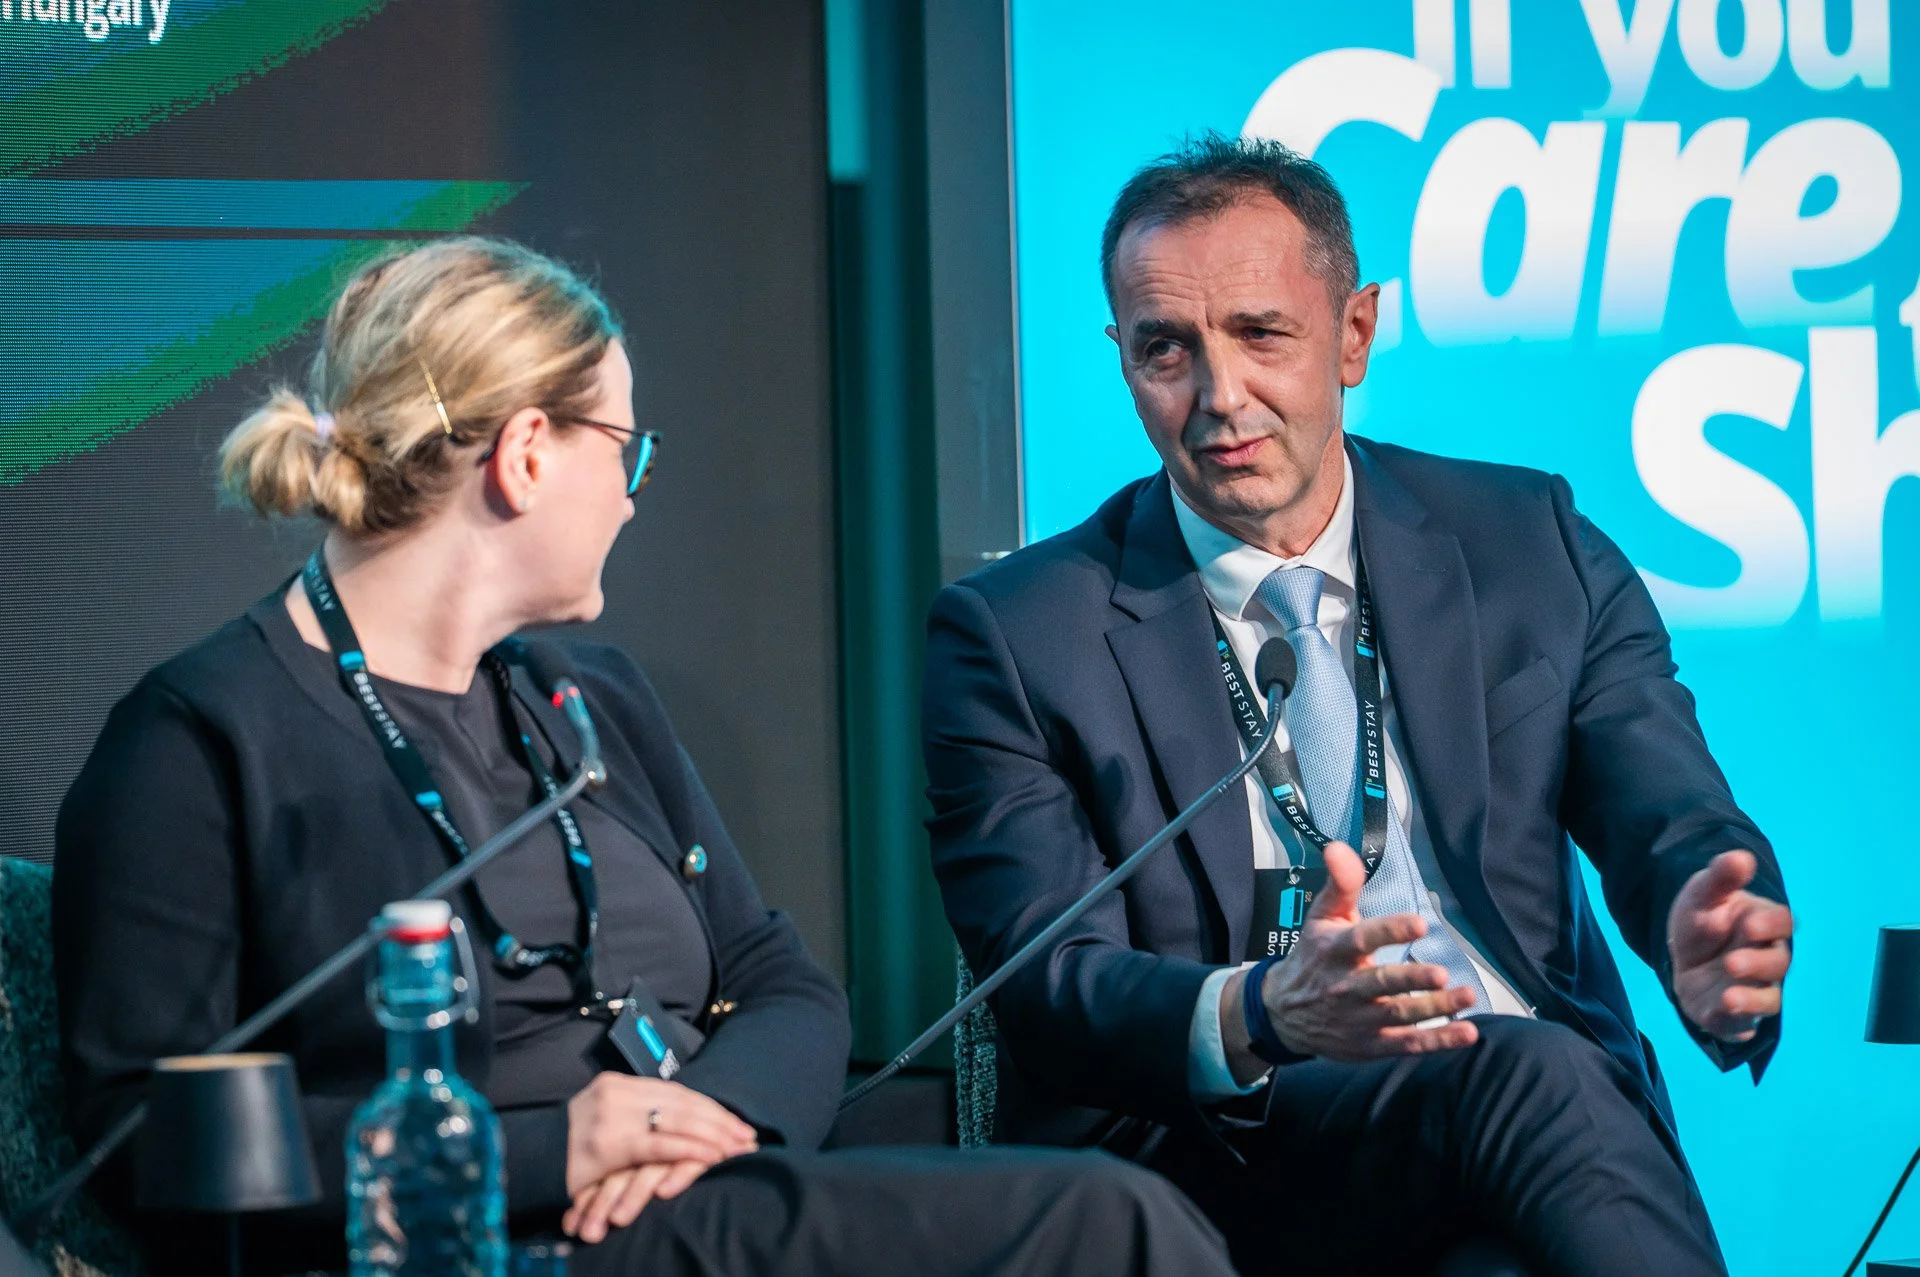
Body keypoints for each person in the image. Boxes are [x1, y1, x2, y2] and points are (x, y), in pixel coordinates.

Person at [52, 237, 1235, 1277]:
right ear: (524, 453)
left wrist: (702, 1120)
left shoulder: (588, 695)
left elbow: (786, 982)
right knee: (1103, 1224)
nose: (631, 496)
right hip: (494, 1237)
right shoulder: (199, 736)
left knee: (1124, 1205)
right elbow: (141, 1134)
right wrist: (552, 1149)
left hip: (704, 1193)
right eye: (628, 446)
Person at [919, 135, 1795, 1277]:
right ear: (1122, 357)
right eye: (1166, 349)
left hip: (1518, 1139)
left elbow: (1664, 806)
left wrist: (1702, 913)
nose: (1218, 395)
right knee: (1527, 1066)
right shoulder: (1018, 632)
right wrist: (1264, 1008)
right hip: (1228, 1151)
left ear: (1354, 333)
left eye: (1261, 334)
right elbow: (1046, 981)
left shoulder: (1528, 541)